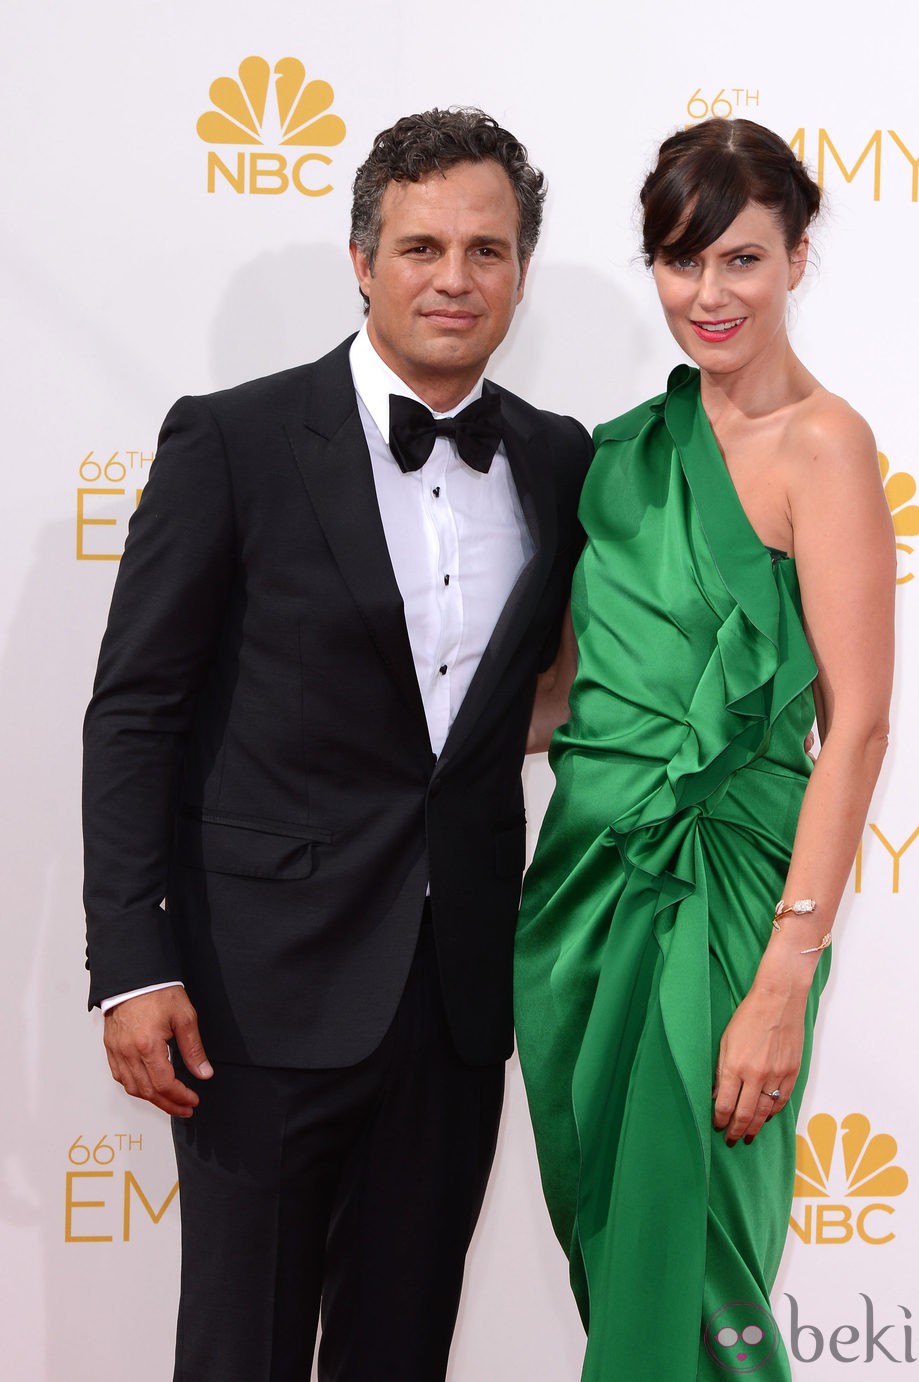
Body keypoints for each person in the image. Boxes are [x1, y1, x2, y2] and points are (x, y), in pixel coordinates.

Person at [82, 107, 591, 1382]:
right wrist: (130, 960)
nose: (455, 277)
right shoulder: (234, 439)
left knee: (400, 1348)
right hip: (253, 993)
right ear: (361, 260)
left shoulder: (555, 457)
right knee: (239, 1351)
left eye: (487, 248)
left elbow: (514, 706)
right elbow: (135, 708)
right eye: (421, 245)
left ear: (521, 268)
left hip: (457, 994)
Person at [515, 117, 895, 1380]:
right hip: (580, 889)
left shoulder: (824, 444)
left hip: (729, 899)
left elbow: (859, 722)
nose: (708, 294)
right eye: (680, 262)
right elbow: (565, 699)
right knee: (618, 1243)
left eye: (740, 258)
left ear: (796, 255)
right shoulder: (620, 451)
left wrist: (787, 969)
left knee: (704, 1259)